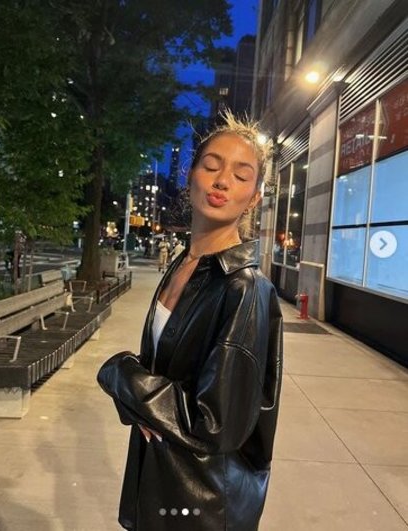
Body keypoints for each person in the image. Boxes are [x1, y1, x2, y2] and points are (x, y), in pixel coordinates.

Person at [97, 110, 283, 531]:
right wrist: (141, 400)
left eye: (241, 175)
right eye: (212, 166)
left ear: (254, 198)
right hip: (161, 480)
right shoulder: (187, 265)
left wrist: (118, 372)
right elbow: (163, 374)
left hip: (203, 501)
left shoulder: (244, 288)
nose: (222, 181)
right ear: (190, 176)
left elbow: (215, 424)